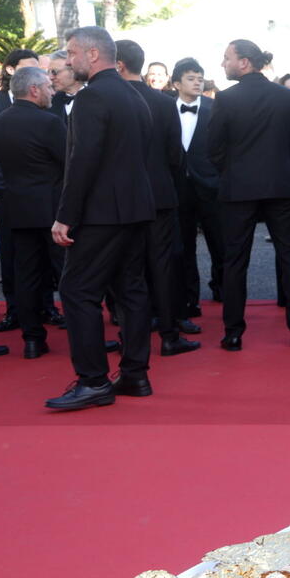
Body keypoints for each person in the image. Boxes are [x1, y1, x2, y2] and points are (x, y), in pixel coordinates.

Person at [47, 26, 156, 410]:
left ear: (93, 55)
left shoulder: (93, 98)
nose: (68, 60)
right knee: (131, 291)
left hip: (101, 214)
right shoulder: (134, 95)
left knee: (78, 291)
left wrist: (65, 216)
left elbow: (83, 163)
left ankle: (93, 380)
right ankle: (135, 373)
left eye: (72, 53)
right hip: (136, 209)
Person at [209, 39, 290, 351]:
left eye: (227, 58)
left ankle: (232, 334)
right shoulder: (285, 97)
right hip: (280, 187)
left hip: (238, 189)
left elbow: (213, 148)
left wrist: (233, 172)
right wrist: (280, 169)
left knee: (235, 261)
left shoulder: (226, 99)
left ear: (244, 62)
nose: (223, 63)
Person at [115, 40, 199, 357]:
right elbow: (175, 156)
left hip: (121, 198)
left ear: (118, 63)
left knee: (126, 268)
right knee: (162, 266)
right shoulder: (164, 103)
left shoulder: (106, 100)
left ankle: (130, 336)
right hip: (160, 195)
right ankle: (168, 334)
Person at [0, 66, 65, 359]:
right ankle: (86, 336)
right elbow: (68, 163)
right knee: (68, 274)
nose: (52, 91)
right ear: (33, 89)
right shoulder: (50, 122)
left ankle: (33, 340)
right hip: (53, 211)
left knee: (27, 276)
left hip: (15, 211)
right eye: (48, 86)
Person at [0, 48, 41, 334]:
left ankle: (45, 307)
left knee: (44, 255)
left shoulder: (45, 102)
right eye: (27, 67)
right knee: (10, 255)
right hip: (4, 195)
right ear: (10, 70)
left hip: (42, 196)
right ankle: (15, 311)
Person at [170, 57, 223, 317]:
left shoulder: (216, 107)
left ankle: (222, 289)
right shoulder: (165, 108)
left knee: (219, 240)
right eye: (191, 78)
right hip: (178, 187)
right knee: (183, 246)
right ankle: (189, 299)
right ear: (177, 83)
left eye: (200, 78)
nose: (197, 83)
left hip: (211, 185)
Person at [48, 49, 83, 127]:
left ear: (74, 71)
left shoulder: (95, 98)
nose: (50, 77)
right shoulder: (51, 102)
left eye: (54, 72)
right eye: (49, 72)